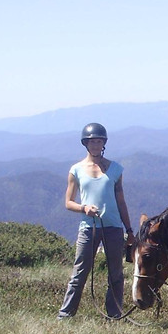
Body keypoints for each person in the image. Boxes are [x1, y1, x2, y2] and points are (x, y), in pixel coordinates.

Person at [57, 123, 135, 319]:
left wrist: (130, 229)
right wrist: (84, 208)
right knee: (80, 273)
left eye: (99, 141)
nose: (95, 145)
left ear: (104, 143)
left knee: (116, 275)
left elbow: (121, 201)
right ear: (86, 144)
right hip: (88, 227)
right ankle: (65, 315)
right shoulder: (76, 170)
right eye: (92, 142)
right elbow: (68, 202)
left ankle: (114, 314)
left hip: (114, 227)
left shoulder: (116, 169)